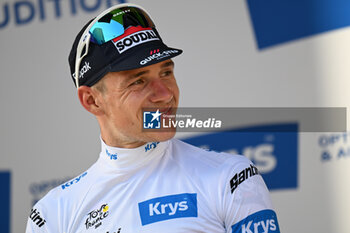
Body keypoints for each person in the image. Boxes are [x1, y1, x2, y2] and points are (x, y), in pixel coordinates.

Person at [26, 3, 280, 233]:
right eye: (138, 81)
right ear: (92, 101)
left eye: (167, 72)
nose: (164, 94)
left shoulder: (231, 178)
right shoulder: (52, 215)